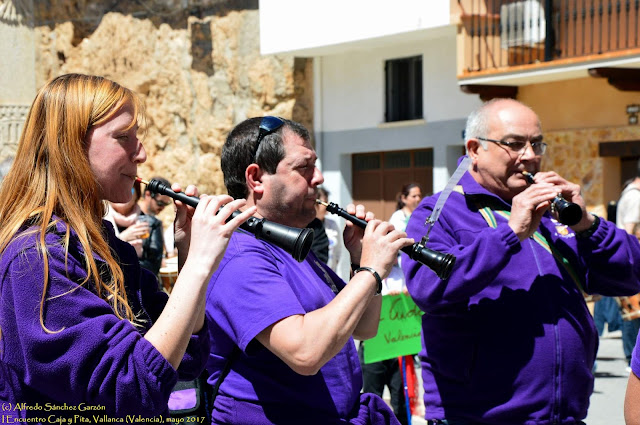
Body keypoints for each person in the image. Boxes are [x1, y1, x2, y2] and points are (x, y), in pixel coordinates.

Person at [0, 73, 256, 422]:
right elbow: (131, 387)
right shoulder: (35, 258)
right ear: (69, 145)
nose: (143, 154)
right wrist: (198, 266)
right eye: (123, 137)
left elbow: (187, 360)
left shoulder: (110, 249)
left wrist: (187, 256)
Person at [403, 98, 640, 425]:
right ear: (475, 149)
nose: (530, 155)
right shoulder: (438, 212)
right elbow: (428, 287)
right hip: (475, 418)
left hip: (565, 417)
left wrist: (586, 224)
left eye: (536, 144)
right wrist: (510, 234)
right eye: (514, 144)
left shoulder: (550, 211)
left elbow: (631, 275)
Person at [205, 116, 413, 425]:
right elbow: (305, 353)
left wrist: (360, 263)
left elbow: (365, 327)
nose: (318, 179)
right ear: (256, 178)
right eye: (304, 168)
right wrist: (371, 268)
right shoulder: (238, 255)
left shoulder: (293, 247)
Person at [616, 168, 640, 372]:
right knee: (634, 311)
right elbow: (629, 231)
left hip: (625, 259)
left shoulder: (627, 194)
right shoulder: (635, 198)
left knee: (631, 311)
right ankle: (632, 357)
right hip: (631, 259)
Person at [137, 176, 172, 277]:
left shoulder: (156, 223)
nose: (162, 208)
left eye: (166, 204)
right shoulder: (132, 219)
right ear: (148, 194)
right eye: (160, 203)